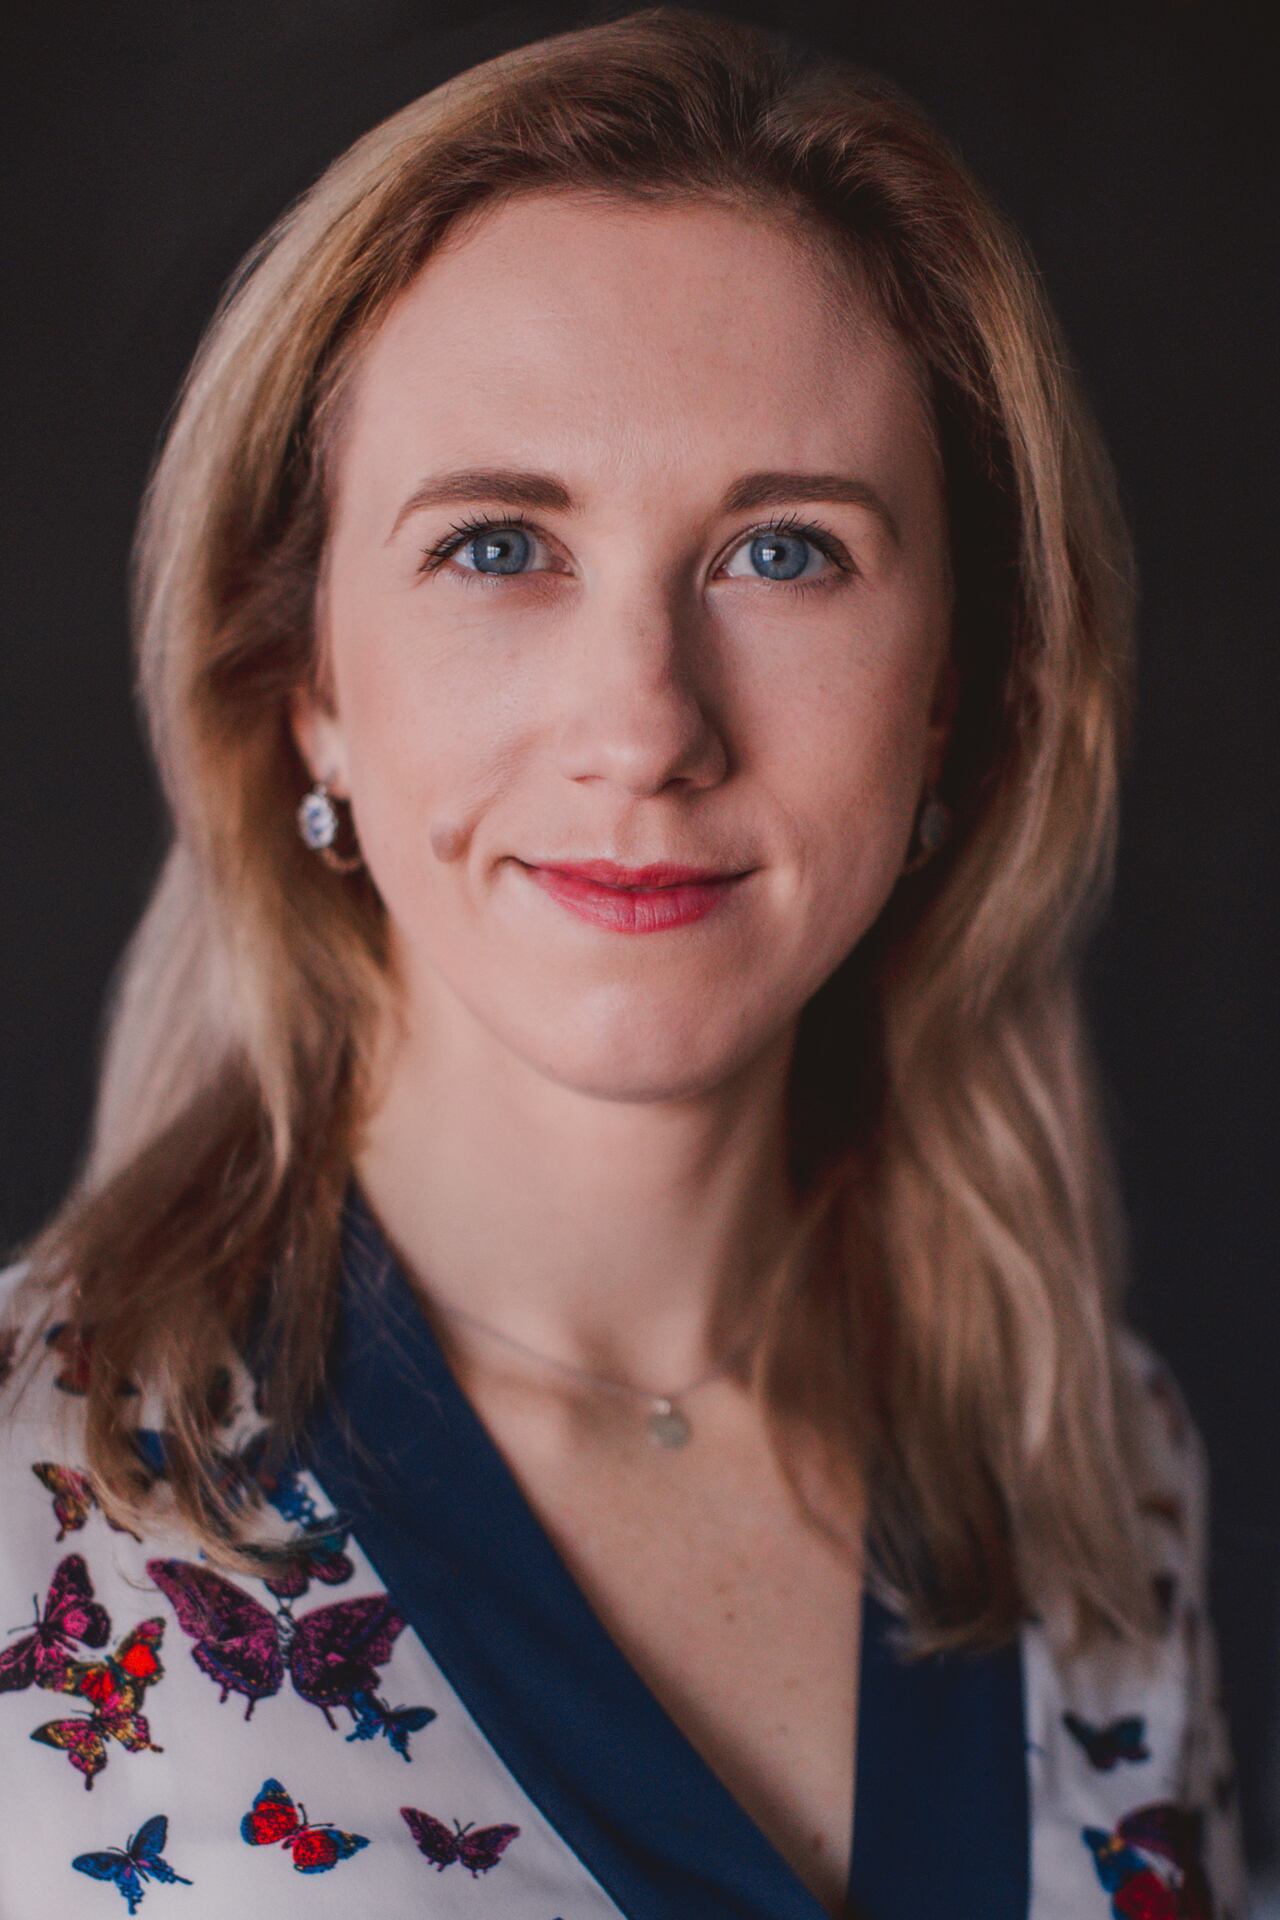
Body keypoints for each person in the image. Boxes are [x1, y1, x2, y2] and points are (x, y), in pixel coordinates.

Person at [0, 8, 1249, 1917]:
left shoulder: (1091, 1473)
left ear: (957, 702)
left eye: (787, 555)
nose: (646, 727)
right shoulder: (28, 1507)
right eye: (501, 545)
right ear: (305, 686)